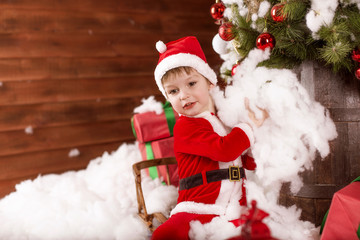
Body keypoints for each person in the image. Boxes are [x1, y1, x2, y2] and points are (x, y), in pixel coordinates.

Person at [151, 36, 267, 240]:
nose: (183, 95)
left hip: (232, 206)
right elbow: (224, 150)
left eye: (191, 84)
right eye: (174, 91)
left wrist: (251, 152)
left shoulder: (222, 121)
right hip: (198, 208)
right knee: (167, 234)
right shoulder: (185, 127)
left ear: (210, 83)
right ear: (168, 98)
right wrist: (250, 126)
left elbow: (242, 160)